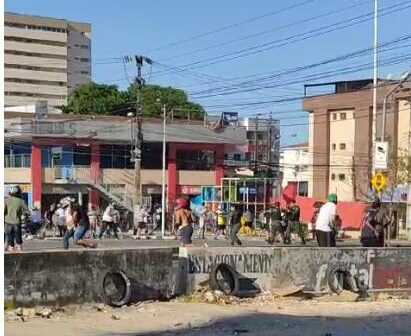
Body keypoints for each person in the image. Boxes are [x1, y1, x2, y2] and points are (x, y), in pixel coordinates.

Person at [4, 185, 27, 252]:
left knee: (9, 235)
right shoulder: (21, 201)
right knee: (18, 234)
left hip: (8, 221)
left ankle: (11, 247)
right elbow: (26, 211)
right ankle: (19, 247)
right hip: (17, 221)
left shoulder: (6, 200)